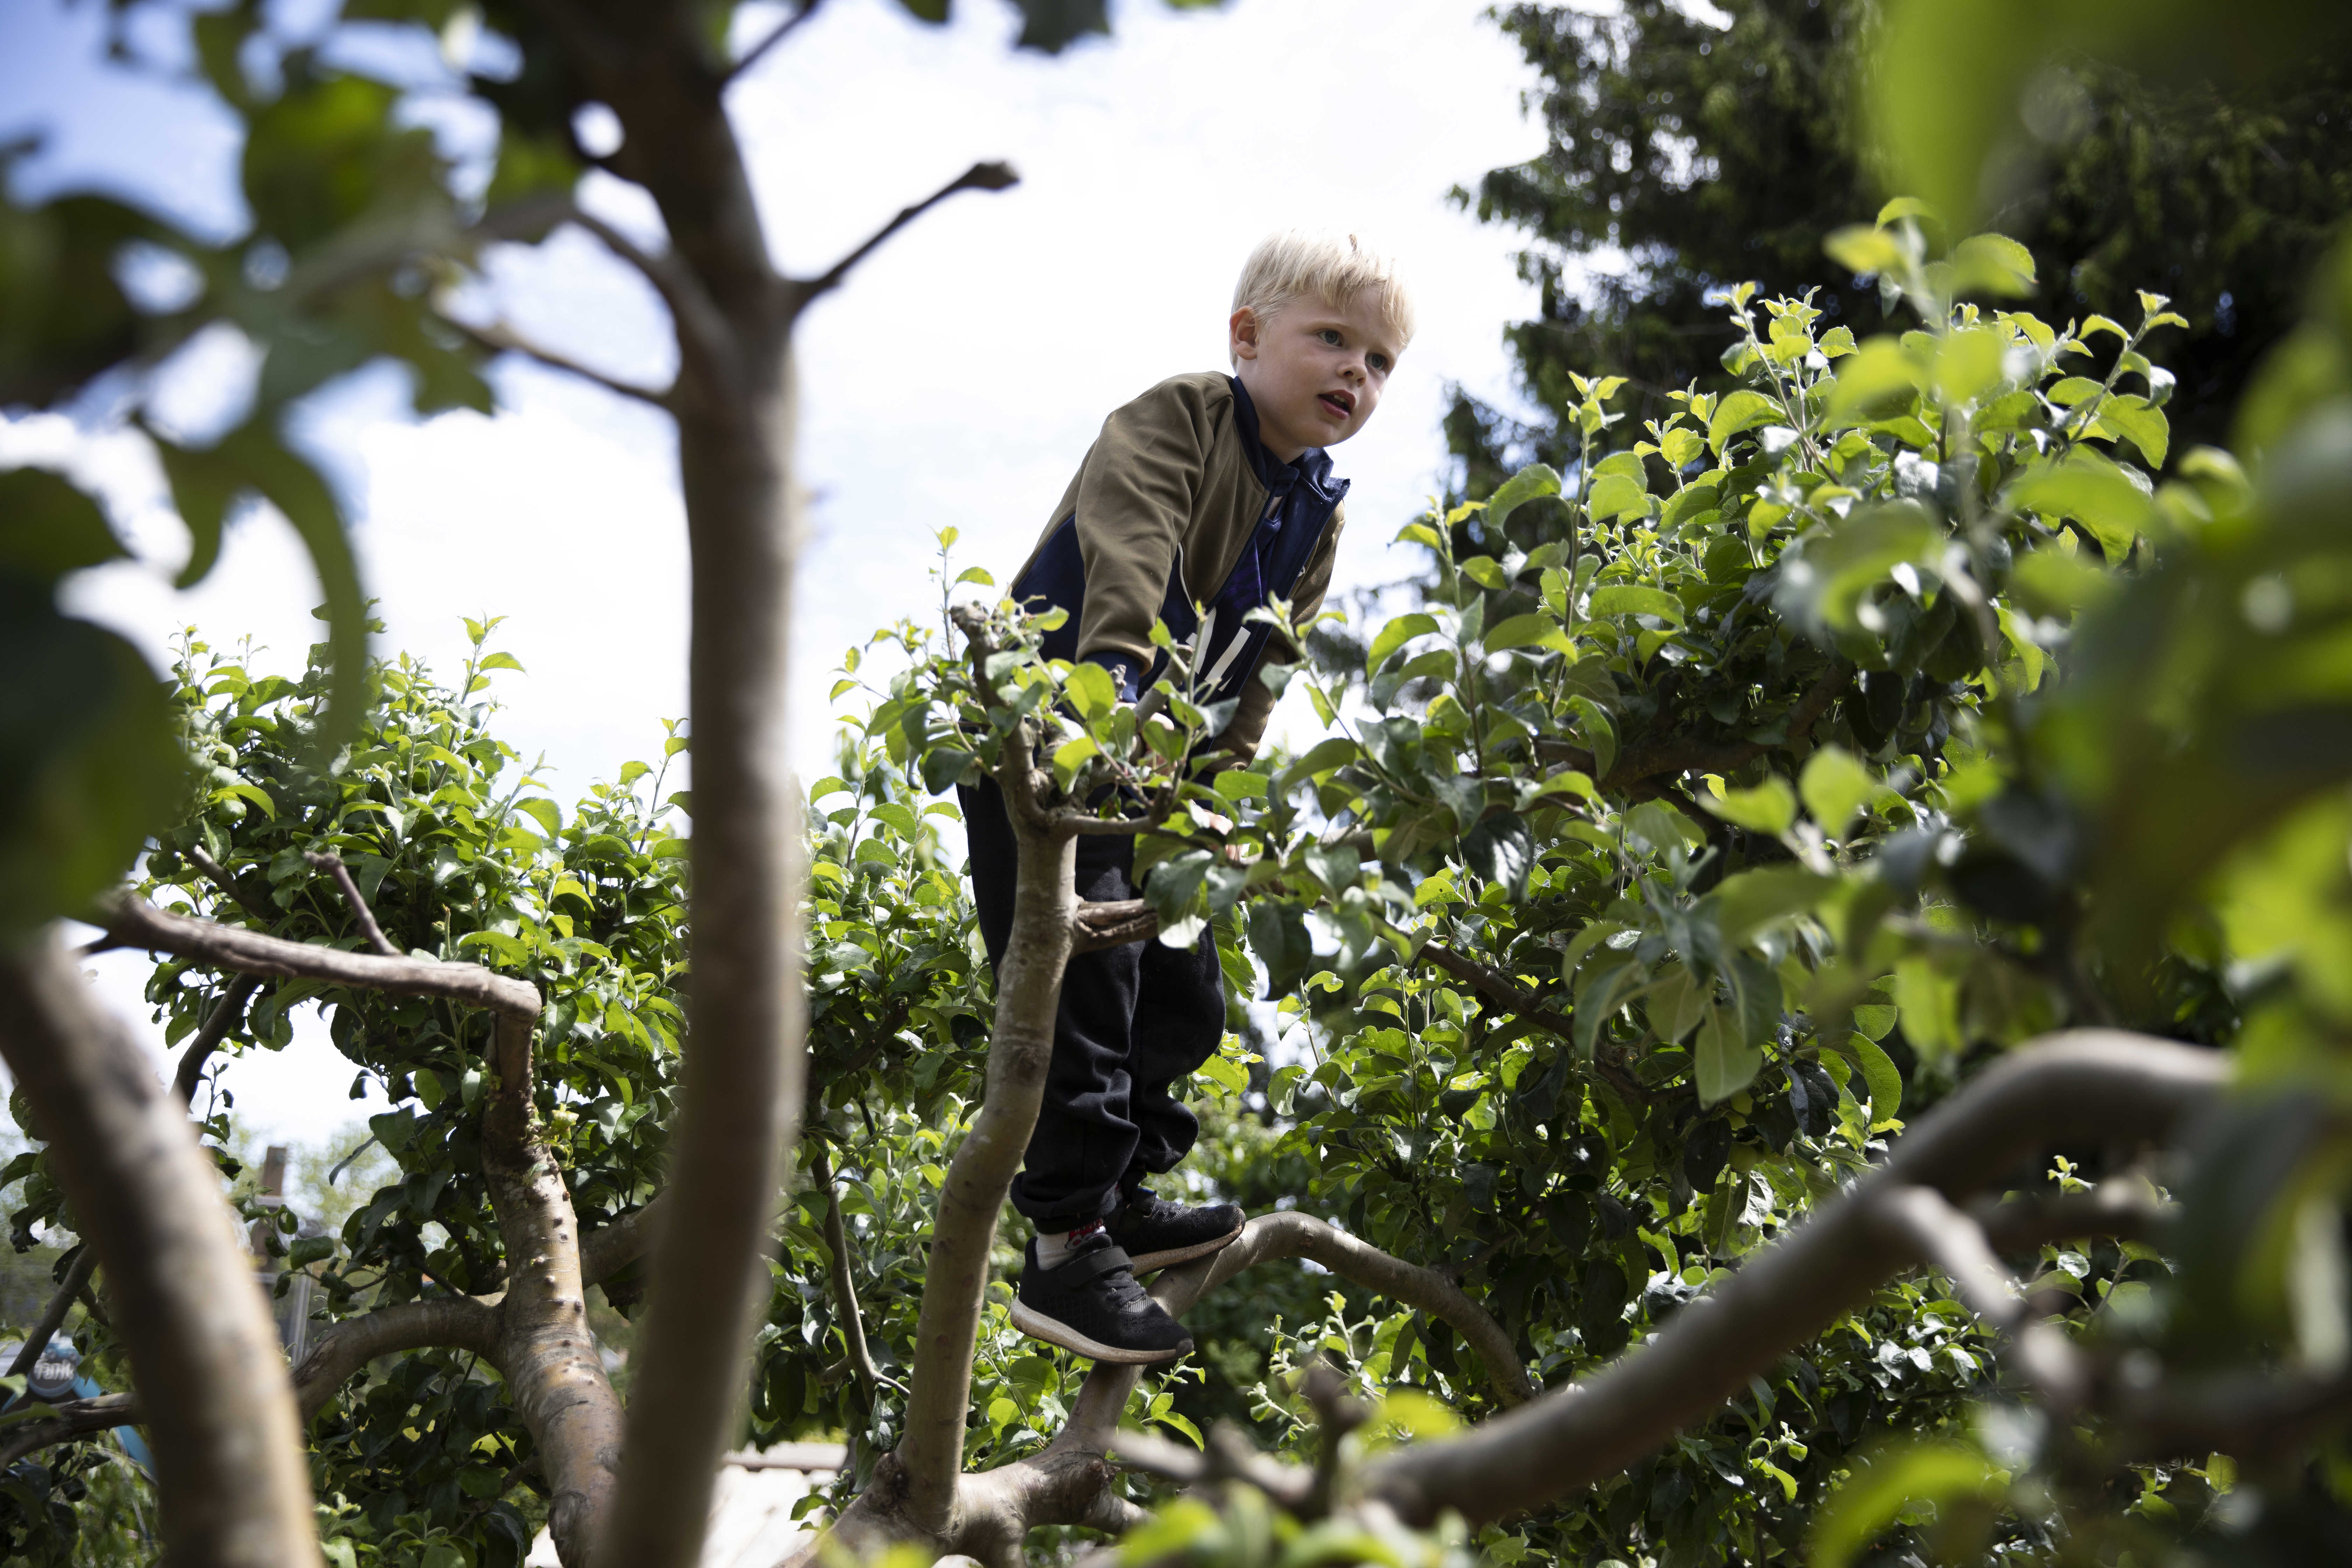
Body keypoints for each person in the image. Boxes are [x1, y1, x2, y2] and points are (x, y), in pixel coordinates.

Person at [959, 229, 1414, 1364]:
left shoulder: (1318, 504)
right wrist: (1112, 694)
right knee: (1089, 986)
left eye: (1381, 362)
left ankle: (1126, 1201)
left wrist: (1225, 794)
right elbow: (1131, 550)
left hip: (1155, 777)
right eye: (1332, 340)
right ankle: (1066, 1248)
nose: (1356, 374)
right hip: (1056, 750)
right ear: (1247, 338)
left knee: (1184, 994)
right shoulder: (1179, 419)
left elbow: (1268, 657)